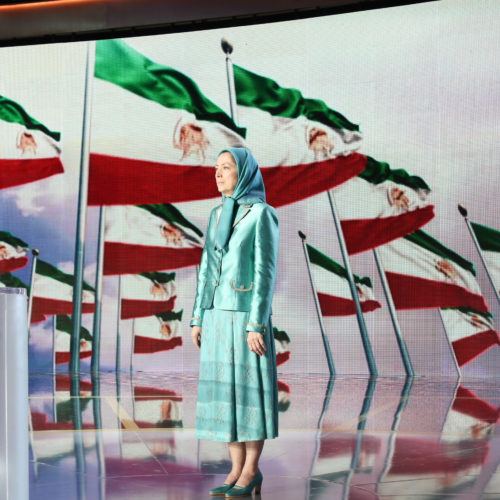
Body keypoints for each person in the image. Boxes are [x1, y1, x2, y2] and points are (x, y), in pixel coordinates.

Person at [190, 147, 279, 498]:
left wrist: (256, 323)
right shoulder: (215, 215)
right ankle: (234, 468)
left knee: (249, 396)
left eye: (226, 168)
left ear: (243, 174)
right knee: (226, 396)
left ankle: (251, 469)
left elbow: (265, 271)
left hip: (244, 318)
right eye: (216, 168)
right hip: (215, 316)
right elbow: (205, 270)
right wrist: (198, 317)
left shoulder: (262, 214)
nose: (218, 173)